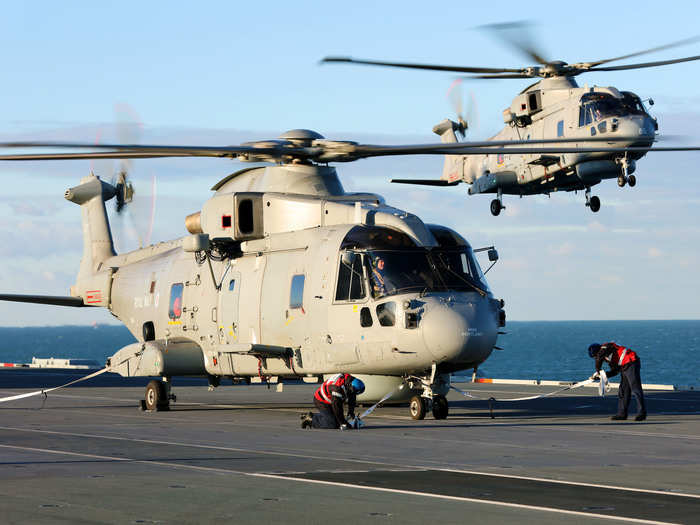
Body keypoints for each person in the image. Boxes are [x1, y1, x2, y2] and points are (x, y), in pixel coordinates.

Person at [588, 342, 646, 421]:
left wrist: (598, 370)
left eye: (595, 356)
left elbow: (599, 357)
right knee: (623, 390)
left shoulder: (606, 347)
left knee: (635, 389)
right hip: (624, 366)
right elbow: (614, 372)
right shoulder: (609, 359)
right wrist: (601, 376)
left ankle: (641, 413)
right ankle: (622, 414)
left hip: (631, 362)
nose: (595, 358)